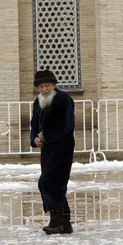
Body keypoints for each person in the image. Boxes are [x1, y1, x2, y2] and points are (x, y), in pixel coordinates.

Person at [30, 69, 75, 234]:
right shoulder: (38, 102)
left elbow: (66, 124)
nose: (44, 89)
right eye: (41, 86)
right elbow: (34, 123)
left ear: (54, 85)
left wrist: (45, 136)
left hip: (62, 148)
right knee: (55, 185)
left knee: (47, 182)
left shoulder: (63, 99)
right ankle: (65, 222)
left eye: (47, 85)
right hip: (47, 149)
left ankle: (56, 220)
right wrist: (34, 139)